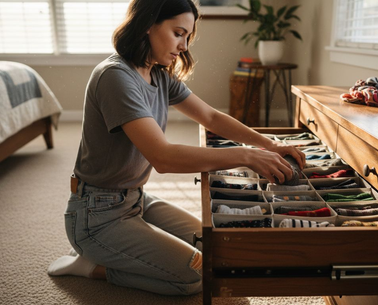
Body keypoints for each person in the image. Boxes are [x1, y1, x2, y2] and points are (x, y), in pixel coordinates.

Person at [47, 0, 306, 296]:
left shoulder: (158, 74)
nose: (184, 46)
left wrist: (268, 143)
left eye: (188, 37)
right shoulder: (115, 77)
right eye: (178, 33)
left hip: (136, 199)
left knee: (216, 249)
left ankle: (126, 246)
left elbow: (210, 116)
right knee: (193, 277)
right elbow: (163, 157)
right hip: (96, 215)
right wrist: (245, 156)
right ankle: (91, 267)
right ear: (147, 25)